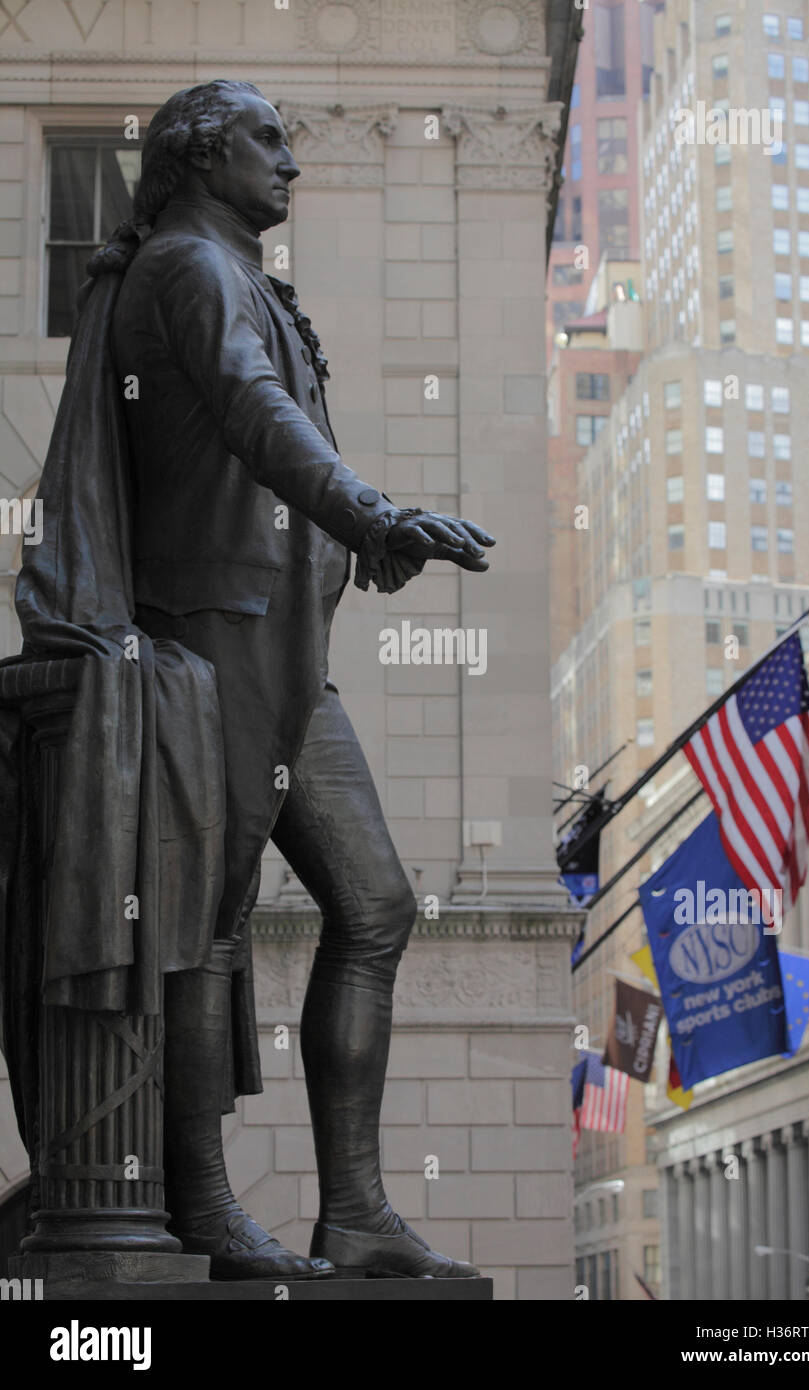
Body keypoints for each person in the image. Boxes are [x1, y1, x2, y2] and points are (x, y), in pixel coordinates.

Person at [102, 79, 494, 1280]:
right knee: (203, 926)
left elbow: (271, 448)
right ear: (199, 155)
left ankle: (358, 1208)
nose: (293, 163)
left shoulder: (239, 277)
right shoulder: (188, 268)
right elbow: (258, 415)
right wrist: (372, 508)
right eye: (268, 143)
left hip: (281, 649)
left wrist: (353, 539)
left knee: (374, 903)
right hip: (209, 640)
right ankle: (200, 1204)